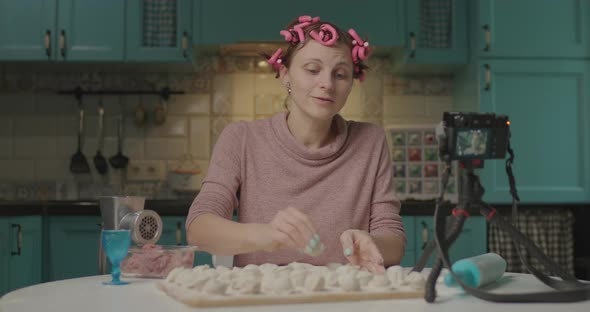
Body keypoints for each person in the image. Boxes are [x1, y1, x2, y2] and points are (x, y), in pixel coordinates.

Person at [186, 15, 405, 274]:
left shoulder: (371, 141)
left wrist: (373, 243)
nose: (327, 83)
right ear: (285, 74)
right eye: (312, 69)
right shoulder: (241, 139)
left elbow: (393, 238)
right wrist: (266, 235)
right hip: (260, 296)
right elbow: (198, 229)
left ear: (350, 85)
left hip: (343, 295)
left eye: (341, 74)